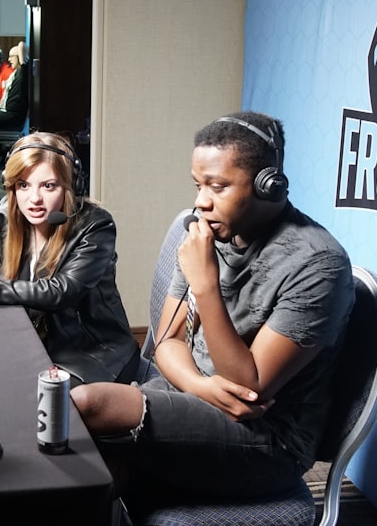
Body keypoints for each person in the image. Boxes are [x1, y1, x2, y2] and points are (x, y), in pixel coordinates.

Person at [69, 111, 355, 522]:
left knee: (88, 404)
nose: (202, 200)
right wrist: (201, 387)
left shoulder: (318, 264)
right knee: (98, 473)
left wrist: (205, 285)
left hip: (267, 443)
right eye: (198, 185)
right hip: (190, 400)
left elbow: (246, 388)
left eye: (218, 186)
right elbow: (165, 341)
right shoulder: (209, 231)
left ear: (268, 186)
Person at [0, 132, 140, 386]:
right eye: (23, 185)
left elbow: (59, 292)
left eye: (48, 186)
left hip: (92, 355)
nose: (34, 199)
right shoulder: (9, 213)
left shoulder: (95, 226)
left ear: (70, 186)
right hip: (35, 340)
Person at [0, 42, 29, 147]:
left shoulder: (22, 72)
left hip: (11, 115)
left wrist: (21, 58)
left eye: (12, 56)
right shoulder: (15, 73)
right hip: (5, 111)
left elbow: (21, 45)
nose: (9, 59)